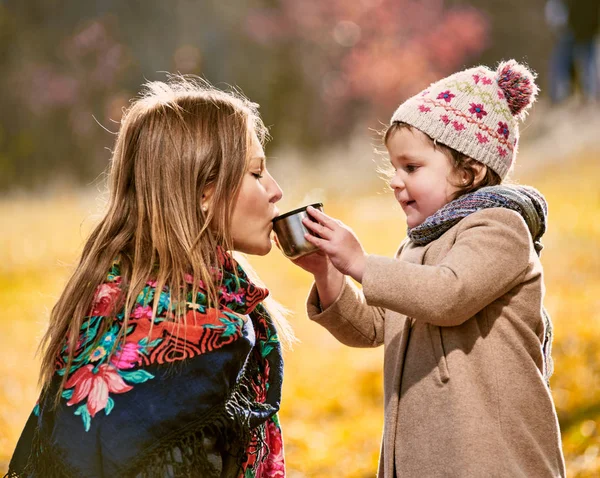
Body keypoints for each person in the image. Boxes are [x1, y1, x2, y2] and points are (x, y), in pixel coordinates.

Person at [292, 60, 566, 476]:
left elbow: (448, 296)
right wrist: (328, 272)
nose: (396, 181)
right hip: (425, 459)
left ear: (469, 172)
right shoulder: (419, 246)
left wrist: (362, 263)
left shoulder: (501, 228)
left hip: (490, 456)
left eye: (411, 167)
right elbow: (374, 327)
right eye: (394, 168)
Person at [7, 76, 290, 478]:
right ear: (204, 193)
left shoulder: (114, 295)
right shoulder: (196, 336)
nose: (275, 191)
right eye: (257, 174)